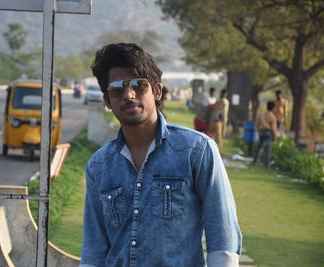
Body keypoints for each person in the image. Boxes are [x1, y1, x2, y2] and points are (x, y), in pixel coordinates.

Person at [80, 43, 242, 267]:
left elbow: (222, 232)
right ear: (108, 101)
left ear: (156, 91)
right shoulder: (99, 165)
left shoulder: (196, 150)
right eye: (117, 88)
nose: (128, 94)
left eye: (139, 85)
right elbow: (93, 249)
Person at [253, 101, 277, 168]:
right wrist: (275, 136)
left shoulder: (262, 115)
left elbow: (257, 124)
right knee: (268, 149)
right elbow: (273, 128)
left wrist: (258, 131)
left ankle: (255, 161)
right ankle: (267, 164)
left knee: (258, 147)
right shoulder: (272, 117)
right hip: (268, 133)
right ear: (273, 108)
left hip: (261, 132)